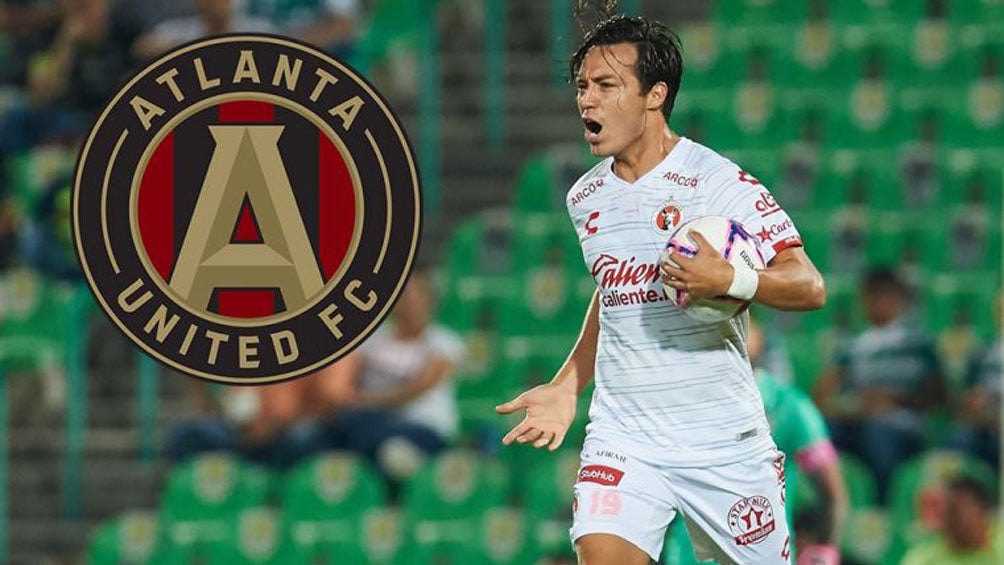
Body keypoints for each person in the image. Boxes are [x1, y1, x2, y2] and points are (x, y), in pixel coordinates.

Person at [495, 15, 826, 565]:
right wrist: (567, 385)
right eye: (582, 86)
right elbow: (611, 293)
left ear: (655, 95)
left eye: (606, 86)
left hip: (722, 442)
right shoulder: (586, 198)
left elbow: (809, 286)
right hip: (625, 436)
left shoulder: (719, 183)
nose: (587, 101)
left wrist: (730, 280)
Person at [662, 318, 848, 565]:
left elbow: (832, 492)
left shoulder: (790, 407)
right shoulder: (679, 406)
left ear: (759, 337)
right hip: (687, 556)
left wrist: (824, 550)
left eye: (738, 322)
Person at [813, 267, 946, 502]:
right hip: (858, 420)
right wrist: (846, 406)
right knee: (819, 435)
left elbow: (939, 396)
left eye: (886, 294)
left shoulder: (919, 343)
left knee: (877, 436)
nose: (879, 302)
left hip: (902, 424)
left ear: (900, 299)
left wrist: (893, 400)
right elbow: (823, 392)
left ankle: (882, 509)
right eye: (873, 295)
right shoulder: (852, 346)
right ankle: (827, 505)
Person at [320, 272, 465, 481]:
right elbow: (346, 376)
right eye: (402, 298)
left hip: (421, 424)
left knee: (392, 452)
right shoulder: (372, 338)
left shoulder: (444, 342)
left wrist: (363, 401)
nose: (408, 305)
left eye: (415, 297)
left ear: (429, 302)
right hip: (368, 421)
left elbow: (417, 388)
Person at [900, 477, 1002, 565]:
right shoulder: (922, 559)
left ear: (980, 510)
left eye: (955, 510)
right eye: (944, 512)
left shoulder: (1000, 544)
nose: (949, 520)